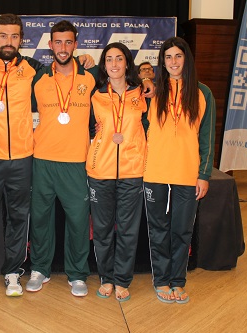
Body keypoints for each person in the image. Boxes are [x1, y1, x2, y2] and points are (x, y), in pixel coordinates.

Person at [0, 14, 95, 299]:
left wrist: (83, 59)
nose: (9, 42)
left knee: (19, 219)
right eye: (3, 36)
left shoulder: (34, 69)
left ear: (21, 40)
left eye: (14, 37)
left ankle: (13, 272)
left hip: (23, 157)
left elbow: (66, 66)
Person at [26, 20, 99, 297]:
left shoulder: (91, 76)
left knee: (78, 220)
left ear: (76, 44)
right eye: (58, 42)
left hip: (76, 162)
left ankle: (78, 273)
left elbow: (121, 86)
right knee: (41, 218)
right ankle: (39, 269)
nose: (63, 47)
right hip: (42, 160)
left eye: (68, 42)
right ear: (50, 45)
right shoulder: (39, 78)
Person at [143, 36, 215, 304]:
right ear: (162, 62)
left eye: (178, 56)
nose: (173, 62)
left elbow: (206, 138)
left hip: (188, 172)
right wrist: (144, 82)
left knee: (182, 230)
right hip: (154, 172)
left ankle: (178, 281)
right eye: (168, 57)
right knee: (158, 229)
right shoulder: (152, 91)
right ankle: (161, 280)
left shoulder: (202, 92)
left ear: (187, 59)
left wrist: (204, 174)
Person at [86, 42, 148, 302]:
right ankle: (106, 277)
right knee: (101, 229)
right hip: (100, 170)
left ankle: (122, 279)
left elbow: (149, 126)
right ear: (104, 64)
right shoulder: (95, 95)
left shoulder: (143, 94)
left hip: (133, 170)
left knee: (127, 229)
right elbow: (88, 129)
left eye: (119, 59)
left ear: (127, 63)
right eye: (109, 59)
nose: (113, 64)